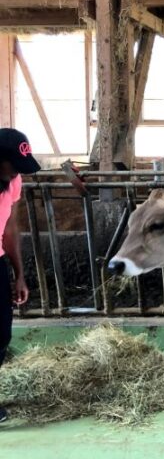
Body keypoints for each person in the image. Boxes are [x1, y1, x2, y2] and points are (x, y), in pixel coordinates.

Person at [0, 128, 39, 423]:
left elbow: (10, 228)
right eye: (12, 165)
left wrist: (19, 274)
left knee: (1, 335)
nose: (15, 174)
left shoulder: (13, 182)